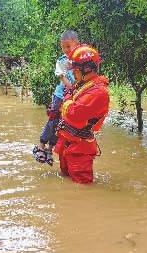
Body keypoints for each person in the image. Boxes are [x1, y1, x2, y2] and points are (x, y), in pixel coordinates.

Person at [55, 44, 110, 184]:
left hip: (79, 149)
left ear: (87, 69)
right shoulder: (84, 85)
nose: (73, 73)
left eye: (76, 70)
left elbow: (73, 114)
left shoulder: (98, 92)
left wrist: (66, 100)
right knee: (65, 181)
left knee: (82, 187)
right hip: (69, 144)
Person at [33, 30, 79, 165]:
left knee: (61, 124)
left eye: (69, 46)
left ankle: (50, 149)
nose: (66, 49)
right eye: (63, 47)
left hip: (73, 97)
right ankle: (41, 145)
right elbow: (62, 76)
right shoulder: (62, 61)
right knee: (53, 119)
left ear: (77, 44)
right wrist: (71, 87)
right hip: (60, 95)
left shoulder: (80, 60)